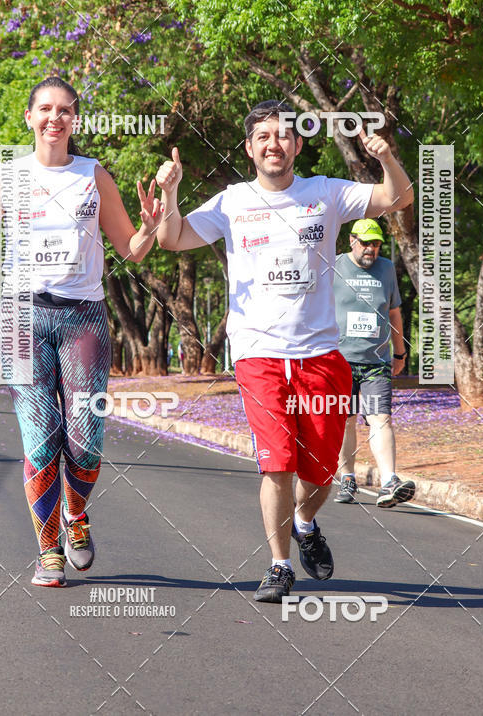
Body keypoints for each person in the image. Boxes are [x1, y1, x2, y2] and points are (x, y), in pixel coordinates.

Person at [156, 100, 413, 603]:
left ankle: (305, 522)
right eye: (264, 137)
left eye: (284, 136)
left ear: (297, 145)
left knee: (318, 474)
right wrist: (169, 194)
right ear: (250, 148)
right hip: (259, 355)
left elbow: (397, 198)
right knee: (276, 463)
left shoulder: (326, 193)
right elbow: (172, 237)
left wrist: (386, 157)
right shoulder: (232, 202)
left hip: (321, 356)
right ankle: (278, 566)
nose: (274, 144)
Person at [0, 76, 162, 587]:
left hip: (84, 319)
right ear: (30, 118)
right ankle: (48, 549)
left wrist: (150, 225)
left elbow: (131, 248)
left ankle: (76, 515)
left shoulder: (93, 175)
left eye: (65, 110)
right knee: (40, 439)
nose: (55, 118)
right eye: (45, 109)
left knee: (84, 441)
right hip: (21, 319)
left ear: (74, 119)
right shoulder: (8, 176)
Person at [333, 219, 415, 508]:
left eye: (377, 244)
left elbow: (393, 313)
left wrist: (399, 353)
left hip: (376, 361)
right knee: (345, 421)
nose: (372, 249)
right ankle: (347, 477)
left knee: (381, 417)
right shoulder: (333, 266)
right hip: (339, 360)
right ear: (352, 240)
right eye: (366, 243)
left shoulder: (387, 269)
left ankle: (389, 481)